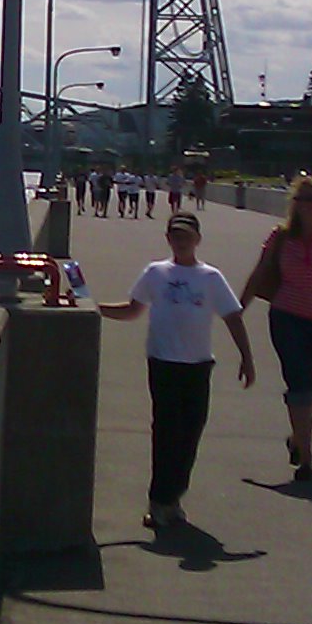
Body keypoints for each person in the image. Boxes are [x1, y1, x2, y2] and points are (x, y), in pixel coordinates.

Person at [99, 210, 255, 527]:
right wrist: (94, 307)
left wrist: (247, 359)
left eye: (187, 236)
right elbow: (132, 310)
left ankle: (173, 497)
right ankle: (159, 502)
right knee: (167, 432)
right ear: (168, 239)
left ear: (197, 240)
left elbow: (233, 317)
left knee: (190, 433)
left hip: (198, 365)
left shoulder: (210, 277)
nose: (181, 241)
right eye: (175, 236)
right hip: (163, 363)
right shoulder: (156, 273)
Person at [241, 174, 312, 479]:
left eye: (309, 200)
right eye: (298, 200)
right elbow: (261, 271)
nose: (303, 205)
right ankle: (306, 457)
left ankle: (297, 436)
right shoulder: (281, 236)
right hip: (286, 315)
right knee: (299, 383)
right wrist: (239, 306)